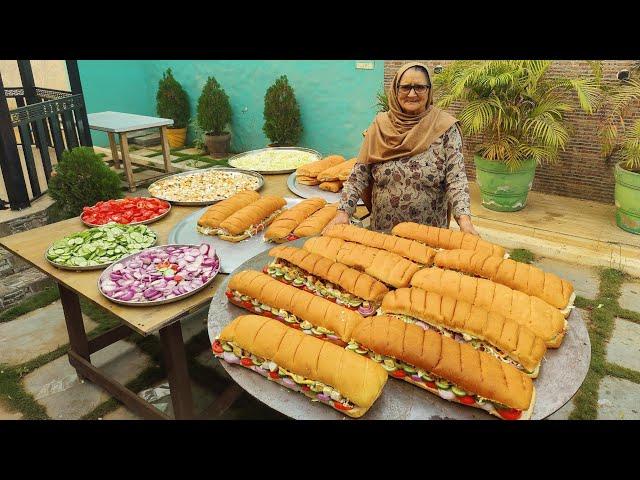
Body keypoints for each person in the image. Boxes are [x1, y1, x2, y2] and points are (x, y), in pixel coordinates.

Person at [323, 62, 479, 236]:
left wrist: (465, 222)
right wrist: (343, 212)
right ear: (396, 90)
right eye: (405, 87)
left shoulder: (444, 127)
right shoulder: (380, 126)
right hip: (382, 235)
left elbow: (456, 179)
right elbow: (358, 175)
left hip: (430, 238)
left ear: (429, 90)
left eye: (419, 87)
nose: (412, 94)